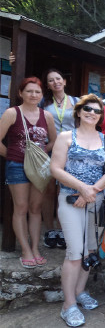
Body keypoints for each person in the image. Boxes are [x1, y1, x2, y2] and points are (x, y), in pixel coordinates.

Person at [50, 94, 105, 327]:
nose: (92, 113)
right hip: (70, 199)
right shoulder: (65, 137)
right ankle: (68, 305)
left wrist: (92, 191)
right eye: (87, 108)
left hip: (95, 200)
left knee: (90, 251)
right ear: (78, 112)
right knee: (75, 251)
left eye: (97, 110)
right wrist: (81, 189)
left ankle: (79, 291)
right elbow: (55, 169)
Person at [0, 77, 56, 268]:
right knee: (21, 207)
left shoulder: (46, 116)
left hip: (39, 168)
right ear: (20, 93)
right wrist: (13, 155)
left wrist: (40, 156)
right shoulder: (11, 113)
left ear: (42, 95)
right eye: (29, 91)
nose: (33, 95)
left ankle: (35, 247)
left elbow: (54, 141)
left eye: (37, 92)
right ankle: (25, 250)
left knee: (35, 208)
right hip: (16, 166)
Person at [41, 69, 79, 250]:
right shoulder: (43, 102)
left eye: (58, 79)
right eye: (51, 80)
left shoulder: (77, 101)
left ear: (64, 81)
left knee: (64, 191)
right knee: (48, 191)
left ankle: (64, 229)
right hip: (49, 149)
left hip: (71, 150)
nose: (55, 82)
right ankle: (50, 229)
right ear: (47, 85)